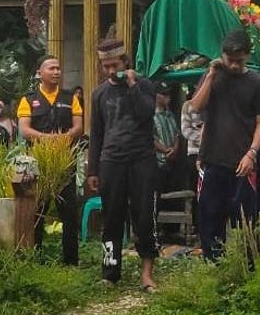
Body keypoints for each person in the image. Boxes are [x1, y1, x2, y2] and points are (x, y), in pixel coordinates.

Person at [86, 38, 159, 292]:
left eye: (114, 65)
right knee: (112, 218)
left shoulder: (145, 86)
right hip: (111, 162)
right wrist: (92, 170)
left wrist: (132, 85)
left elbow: (147, 113)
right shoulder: (98, 94)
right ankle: (110, 272)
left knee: (144, 216)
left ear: (125, 61)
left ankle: (147, 273)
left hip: (141, 160)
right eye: (105, 66)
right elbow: (96, 134)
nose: (109, 71)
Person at [190, 29, 260, 261]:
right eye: (229, 60)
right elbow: (195, 106)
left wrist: (252, 153)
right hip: (212, 159)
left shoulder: (256, 82)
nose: (234, 65)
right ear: (222, 56)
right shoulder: (212, 76)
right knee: (210, 217)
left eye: (239, 61)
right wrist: (212, 75)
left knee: (246, 220)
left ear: (247, 56)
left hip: (243, 162)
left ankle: (247, 269)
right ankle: (214, 265)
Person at [17, 55, 83, 264]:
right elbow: (25, 130)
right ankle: (35, 259)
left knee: (69, 213)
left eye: (58, 68)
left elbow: (78, 127)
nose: (56, 72)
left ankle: (71, 262)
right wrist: (49, 139)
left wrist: (65, 138)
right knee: (37, 212)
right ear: (39, 73)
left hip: (64, 165)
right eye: (51, 68)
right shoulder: (28, 100)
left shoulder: (70, 97)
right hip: (38, 166)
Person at [153, 81, 182, 195]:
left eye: (168, 94)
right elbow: (150, 139)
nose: (167, 97)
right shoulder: (150, 115)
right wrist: (165, 150)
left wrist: (174, 149)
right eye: (163, 94)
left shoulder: (170, 114)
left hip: (173, 162)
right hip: (158, 163)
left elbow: (176, 134)